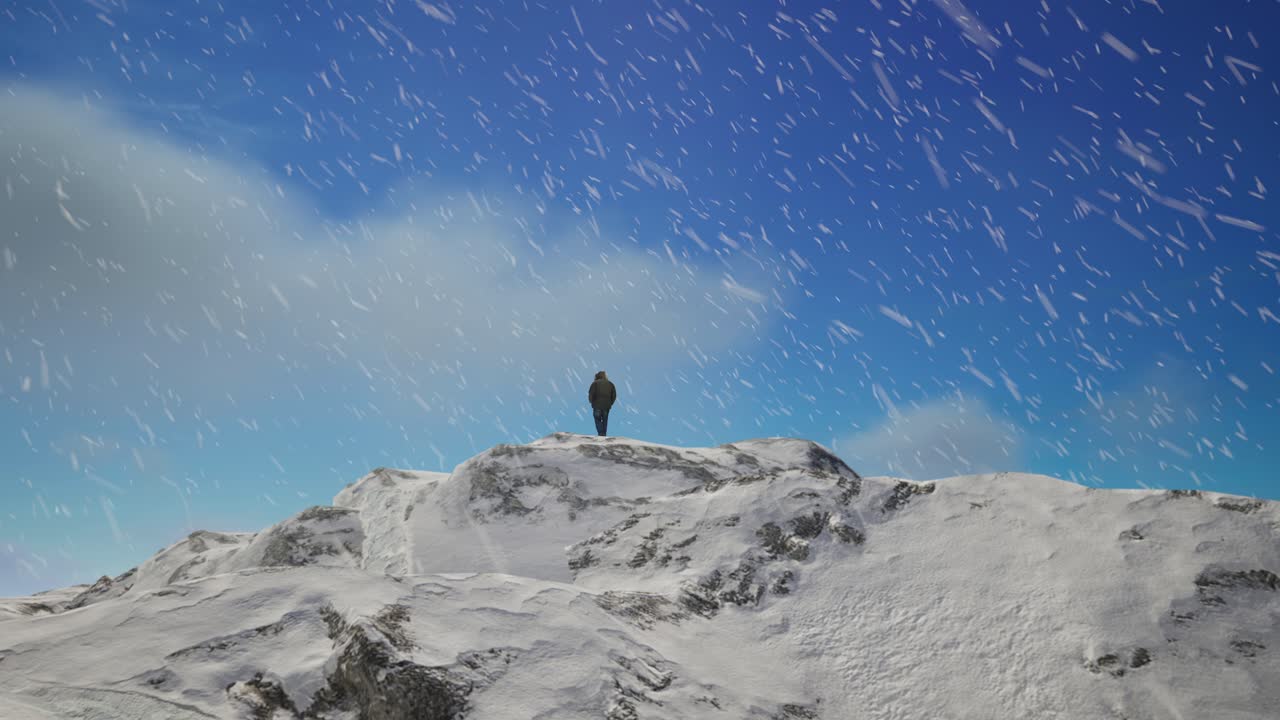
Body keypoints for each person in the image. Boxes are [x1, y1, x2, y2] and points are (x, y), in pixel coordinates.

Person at [587, 370, 617, 436]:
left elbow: (591, 394)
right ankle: (604, 434)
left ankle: (601, 433)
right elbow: (614, 395)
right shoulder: (610, 384)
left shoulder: (595, 383)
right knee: (605, 420)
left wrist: (591, 401)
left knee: (597, 419)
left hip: (597, 404)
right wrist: (610, 403)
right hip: (606, 405)